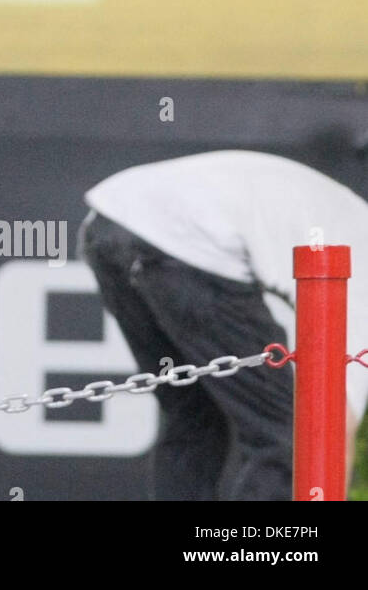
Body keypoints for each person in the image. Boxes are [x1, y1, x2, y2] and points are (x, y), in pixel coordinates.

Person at [79, 150, 368, 500]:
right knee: (294, 434)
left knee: (195, 419)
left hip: (108, 225)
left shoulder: (346, 219)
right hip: (189, 237)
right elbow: (330, 425)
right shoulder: (359, 265)